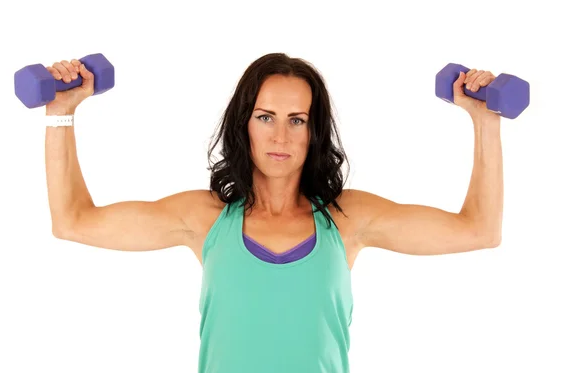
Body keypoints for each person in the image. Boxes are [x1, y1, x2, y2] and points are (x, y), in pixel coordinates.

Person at [44, 53, 503, 373]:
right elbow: (73, 221)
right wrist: (61, 114)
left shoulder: (348, 220)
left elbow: (479, 230)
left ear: (313, 130)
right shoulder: (203, 220)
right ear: (244, 125)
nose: (280, 136)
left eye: (297, 120)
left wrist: (484, 123)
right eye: (266, 117)